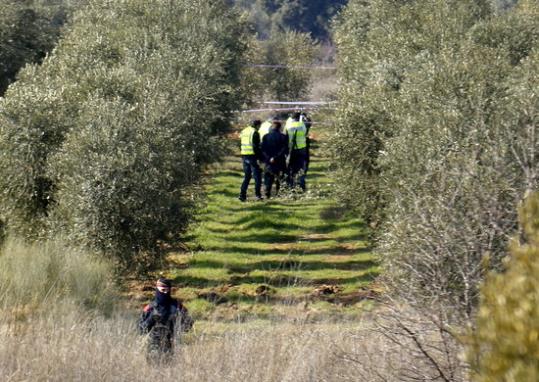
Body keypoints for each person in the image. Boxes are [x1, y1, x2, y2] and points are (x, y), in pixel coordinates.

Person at [138, 278, 194, 363]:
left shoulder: (177, 307)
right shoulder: (150, 308)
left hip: (172, 345)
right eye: (163, 290)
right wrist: (151, 318)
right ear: (157, 289)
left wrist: (178, 322)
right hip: (154, 346)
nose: (165, 293)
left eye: (167, 290)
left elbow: (188, 325)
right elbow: (140, 329)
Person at [261, 119, 289, 199]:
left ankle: (267, 193)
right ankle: (278, 192)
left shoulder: (266, 137)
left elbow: (263, 149)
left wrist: (269, 158)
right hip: (280, 160)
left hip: (268, 161)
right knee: (280, 177)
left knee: (268, 176)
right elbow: (284, 149)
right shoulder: (283, 137)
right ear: (280, 128)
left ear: (272, 127)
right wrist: (276, 157)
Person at [239, 120, 262, 202]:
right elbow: (256, 147)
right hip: (253, 157)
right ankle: (258, 195)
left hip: (244, 156)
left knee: (247, 176)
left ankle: (242, 195)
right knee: (257, 176)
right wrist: (260, 158)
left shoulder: (244, 131)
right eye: (259, 126)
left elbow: (240, 143)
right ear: (257, 125)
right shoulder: (255, 133)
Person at [285, 112, 308, 191]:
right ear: (299, 118)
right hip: (301, 149)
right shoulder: (302, 125)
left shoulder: (288, 126)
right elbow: (305, 134)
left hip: (291, 149)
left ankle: (290, 186)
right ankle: (301, 186)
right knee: (301, 168)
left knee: (290, 168)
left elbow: (285, 136)